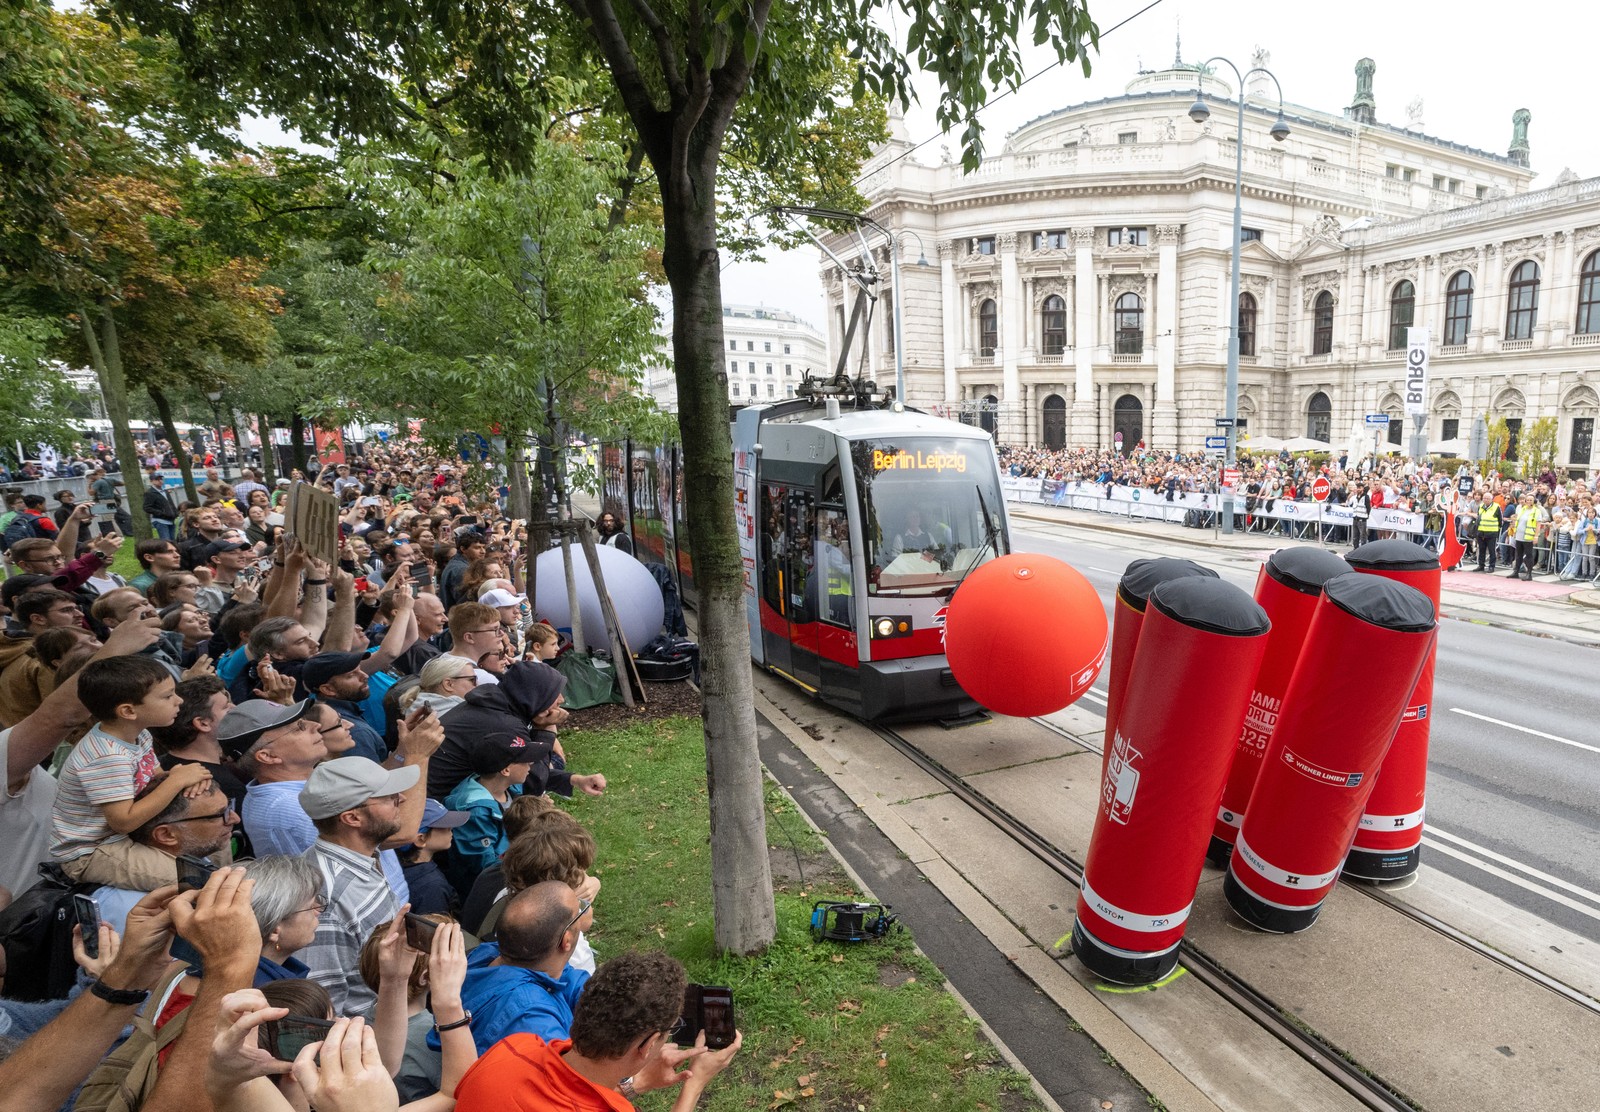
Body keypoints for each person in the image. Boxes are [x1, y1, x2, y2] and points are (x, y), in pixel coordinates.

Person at [451, 949, 742, 1112]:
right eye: (667, 1032)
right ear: (649, 1043)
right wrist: (695, 1083)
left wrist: (635, 1082)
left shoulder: (512, 1049)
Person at [48, 655, 213, 890]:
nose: (179, 701)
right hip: (93, 850)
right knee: (196, 880)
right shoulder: (107, 756)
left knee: (212, 832)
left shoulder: (138, 733)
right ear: (128, 711)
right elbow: (122, 822)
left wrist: (178, 778)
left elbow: (153, 780)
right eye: (168, 696)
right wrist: (175, 782)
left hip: (123, 833)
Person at [298, 756, 421, 1016]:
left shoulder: (360, 856)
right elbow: (324, 1008)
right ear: (353, 818)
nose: (403, 799)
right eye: (389, 797)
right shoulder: (326, 900)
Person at [448, 880, 591, 1054]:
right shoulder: (532, 1021)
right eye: (579, 912)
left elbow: (566, 978)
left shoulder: (490, 954)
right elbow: (565, 1075)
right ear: (566, 940)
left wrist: (603, 1003)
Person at [430, 660, 604, 801]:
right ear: (534, 695)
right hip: (437, 811)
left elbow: (521, 771)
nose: (561, 700)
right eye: (553, 694)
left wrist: (574, 780)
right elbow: (531, 787)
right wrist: (546, 730)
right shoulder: (505, 724)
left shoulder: (494, 705)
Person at [88, 776, 239, 934]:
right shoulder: (127, 907)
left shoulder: (196, 857)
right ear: (166, 835)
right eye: (219, 815)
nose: (235, 818)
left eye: (229, 808)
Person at [442, 731, 529, 893]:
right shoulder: (475, 811)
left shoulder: (509, 786)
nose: (531, 763)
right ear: (506, 771)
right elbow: (486, 867)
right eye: (524, 760)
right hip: (490, 889)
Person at [398, 798, 470, 916]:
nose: (451, 830)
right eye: (444, 826)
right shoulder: (432, 887)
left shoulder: (393, 863)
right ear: (420, 839)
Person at [1475, 494, 1502, 573]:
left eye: (1487, 498)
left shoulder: (1496, 507)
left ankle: (1491, 566)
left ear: (1491, 499)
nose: (1486, 500)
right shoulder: (1481, 506)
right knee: (1481, 550)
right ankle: (1481, 565)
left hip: (1491, 532)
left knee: (1491, 550)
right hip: (1481, 532)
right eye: (1484, 498)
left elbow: (1500, 520)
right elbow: (1478, 517)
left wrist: (1497, 529)